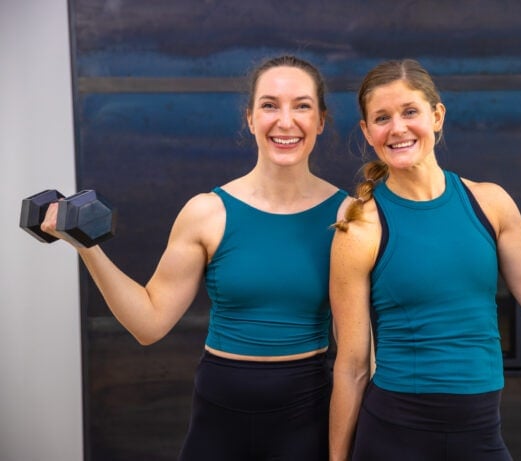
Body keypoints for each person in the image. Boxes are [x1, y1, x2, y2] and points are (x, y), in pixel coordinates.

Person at [40, 55, 348, 461]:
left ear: (321, 120)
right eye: (270, 105)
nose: (285, 121)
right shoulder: (207, 212)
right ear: (250, 119)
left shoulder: (348, 217)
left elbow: (358, 355)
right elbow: (148, 324)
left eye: (302, 105)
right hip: (219, 419)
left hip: (306, 416)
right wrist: (85, 246)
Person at [328, 58, 521, 461]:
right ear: (367, 131)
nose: (397, 128)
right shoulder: (361, 225)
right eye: (382, 118)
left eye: (410, 112)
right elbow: (352, 367)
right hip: (395, 434)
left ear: (437, 116)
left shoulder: (490, 203)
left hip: (480, 430)